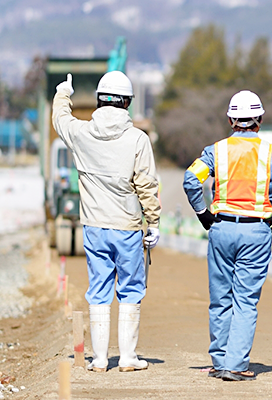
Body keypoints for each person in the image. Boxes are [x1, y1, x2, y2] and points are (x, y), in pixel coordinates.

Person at [183, 90, 272, 381]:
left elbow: (190, 179)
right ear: (259, 120)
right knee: (245, 299)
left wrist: (202, 212)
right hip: (257, 230)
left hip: (221, 228)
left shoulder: (216, 151)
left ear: (230, 119)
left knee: (220, 298)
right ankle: (236, 365)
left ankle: (220, 361)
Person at [53, 71, 161, 372]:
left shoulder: (81, 133)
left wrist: (64, 93)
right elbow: (147, 185)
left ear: (100, 100)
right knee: (131, 289)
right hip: (126, 227)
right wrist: (153, 222)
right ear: (127, 102)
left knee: (98, 289)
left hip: (94, 227)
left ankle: (99, 359)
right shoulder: (138, 139)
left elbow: (60, 119)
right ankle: (127, 357)